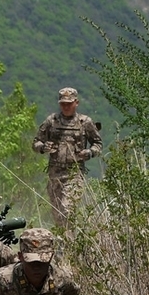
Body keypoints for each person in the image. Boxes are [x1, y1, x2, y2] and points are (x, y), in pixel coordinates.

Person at [32, 88, 101, 228]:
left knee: (67, 211)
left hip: (74, 174)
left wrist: (89, 152)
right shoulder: (51, 121)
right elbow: (35, 142)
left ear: (76, 103)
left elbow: (98, 144)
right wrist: (43, 147)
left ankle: (69, 244)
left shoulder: (85, 122)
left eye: (69, 103)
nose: (66, 107)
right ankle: (65, 245)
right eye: (63, 103)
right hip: (54, 175)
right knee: (58, 215)